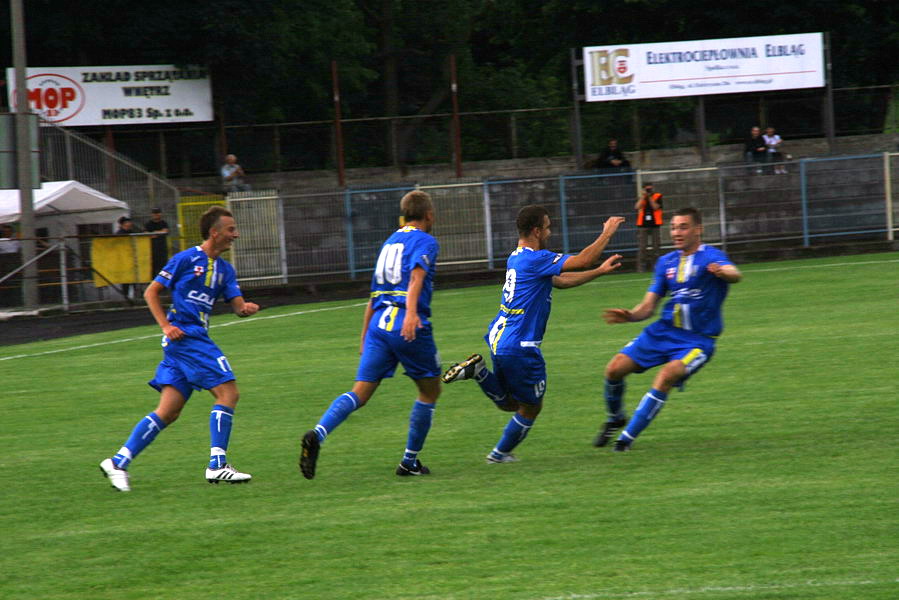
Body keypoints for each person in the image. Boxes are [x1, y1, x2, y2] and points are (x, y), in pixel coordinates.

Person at [442, 206, 624, 464]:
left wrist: (599, 272)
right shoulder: (536, 259)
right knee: (531, 407)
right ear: (537, 231)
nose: (550, 232)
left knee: (509, 403)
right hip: (520, 345)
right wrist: (606, 233)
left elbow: (561, 281)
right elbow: (583, 259)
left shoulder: (517, 258)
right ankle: (498, 455)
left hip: (500, 339)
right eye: (548, 227)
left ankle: (479, 372)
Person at [99, 206, 260, 491]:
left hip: (184, 343)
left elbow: (236, 307)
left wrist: (246, 309)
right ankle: (217, 466)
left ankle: (118, 461)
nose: (235, 235)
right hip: (188, 338)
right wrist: (165, 325)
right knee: (228, 392)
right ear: (215, 232)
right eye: (231, 230)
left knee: (169, 411)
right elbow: (151, 292)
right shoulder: (186, 259)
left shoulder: (225, 270)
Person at [299, 190, 443, 479]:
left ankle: (319, 433)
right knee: (430, 390)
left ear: (403, 215)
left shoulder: (390, 241)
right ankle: (409, 462)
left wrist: (364, 335)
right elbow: (417, 276)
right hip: (406, 322)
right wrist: (412, 313)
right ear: (429, 215)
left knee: (360, 392)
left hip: (379, 323)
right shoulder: (426, 240)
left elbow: (373, 294)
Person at [593, 206, 742, 452]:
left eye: (683, 227)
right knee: (614, 369)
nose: (676, 232)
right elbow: (649, 306)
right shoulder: (666, 262)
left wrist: (724, 272)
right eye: (673, 227)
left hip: (698, 341)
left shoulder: (711, 256)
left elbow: (735, 274)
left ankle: (624, 441)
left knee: (666, 376)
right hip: (662, 332)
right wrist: (630, 315)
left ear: (698, 229)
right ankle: (615, 418)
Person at [634, 183, 663, 273]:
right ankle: (641, 268)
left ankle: (656, 267)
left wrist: (650, 197)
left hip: (655, 224)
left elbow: (655, 207)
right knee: (642, 247)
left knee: (656, 247)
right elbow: (637, 207)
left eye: (650, 189)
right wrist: (643, 197)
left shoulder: (658, 196)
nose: (649, 191)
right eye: (647, 189)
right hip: (643, 224)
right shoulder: (641, 197)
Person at [115, 216, 140, 299]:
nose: (130, 224)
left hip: (131, 259)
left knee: (133, 278)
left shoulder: (131, 232)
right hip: (123, 259)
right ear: (123, 224)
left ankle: (135, 296)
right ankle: (126, 296)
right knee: (125, 280)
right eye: (127, 222)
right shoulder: (119, 233)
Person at [144, 208, 170, 275]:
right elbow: (146, 234)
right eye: (154, 213)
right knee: (153, 268)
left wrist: (154, 233)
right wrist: (159, 233)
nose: (156, 215)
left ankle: (164, 283)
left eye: (157, 213)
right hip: (152, 249)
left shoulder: (163, 223)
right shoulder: (148, 224)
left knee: (164, 267)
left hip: (162, 249)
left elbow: (165, 231)